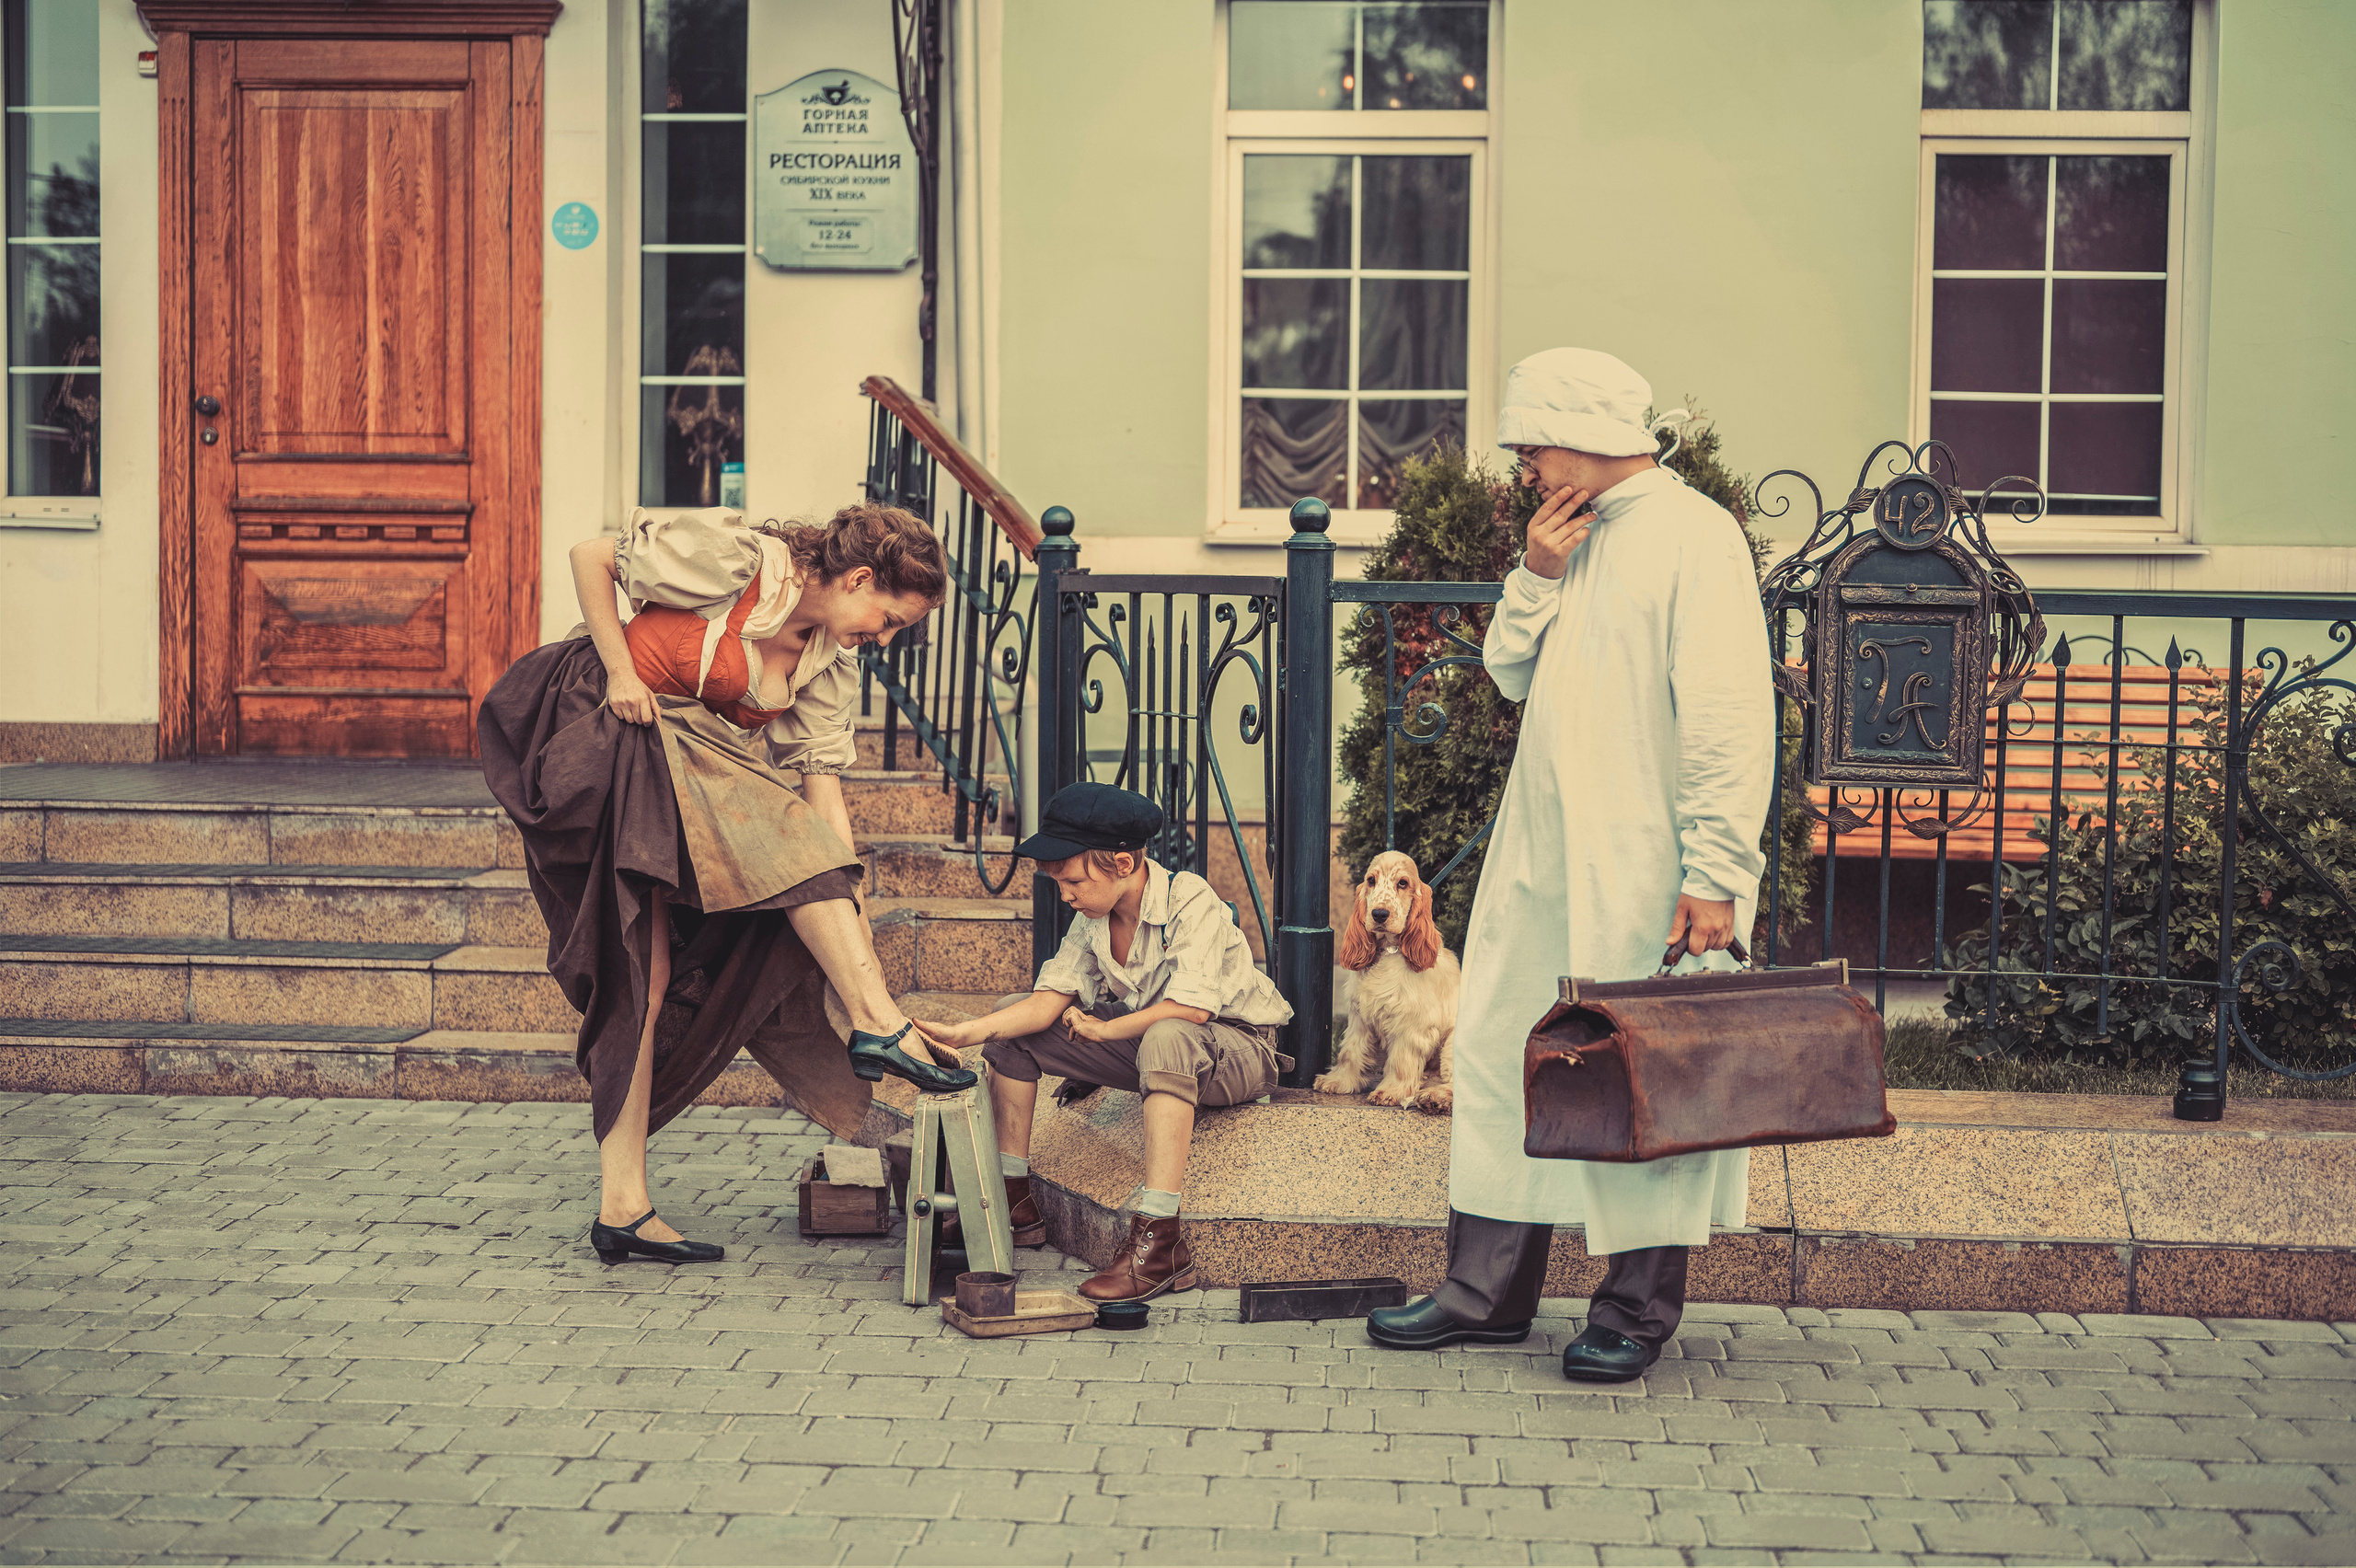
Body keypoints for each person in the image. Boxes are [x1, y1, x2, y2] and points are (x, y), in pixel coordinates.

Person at [1365, 348, 1776, 1381]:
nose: (1524, 468)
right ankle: (1484, 1292)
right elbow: (1507, 673)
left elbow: (1732, 718)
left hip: (1646, 865)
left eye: (1530, 446)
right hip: (1540, 860)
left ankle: (1633, 1311)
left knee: (1640, 1071)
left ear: (1584, 429)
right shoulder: (1569, 535)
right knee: (1510, 1052)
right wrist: (1536, 573)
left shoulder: (1695, 535)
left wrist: (1716, 872)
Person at [479, 503, 980, 1267]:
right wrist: (619, 672)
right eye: (885, 619)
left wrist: (846, 896)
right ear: (857, 578)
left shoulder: (826, 663)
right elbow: (590, 555)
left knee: (648, 979)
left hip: (677, 762)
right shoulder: (743, 561)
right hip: (602, 726)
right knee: (656, 952)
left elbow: (821, 795)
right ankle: (880, 1022)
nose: (882, 639)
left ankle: (623, 1210)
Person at [915, 783, 1294, 1303]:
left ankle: (1159, 1242)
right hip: (1158, 1038)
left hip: (1238, 1048)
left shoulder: (1191, 899)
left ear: (1121, 863)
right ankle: (1011, 1198)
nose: (1065, 893)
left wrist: (1104, 1031)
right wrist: (969, 1032)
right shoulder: (1094, 916)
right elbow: (1048, 1001)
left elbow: (1193, 1009)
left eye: (1072, 880)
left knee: (1165, 1034)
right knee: (1013, 1023)